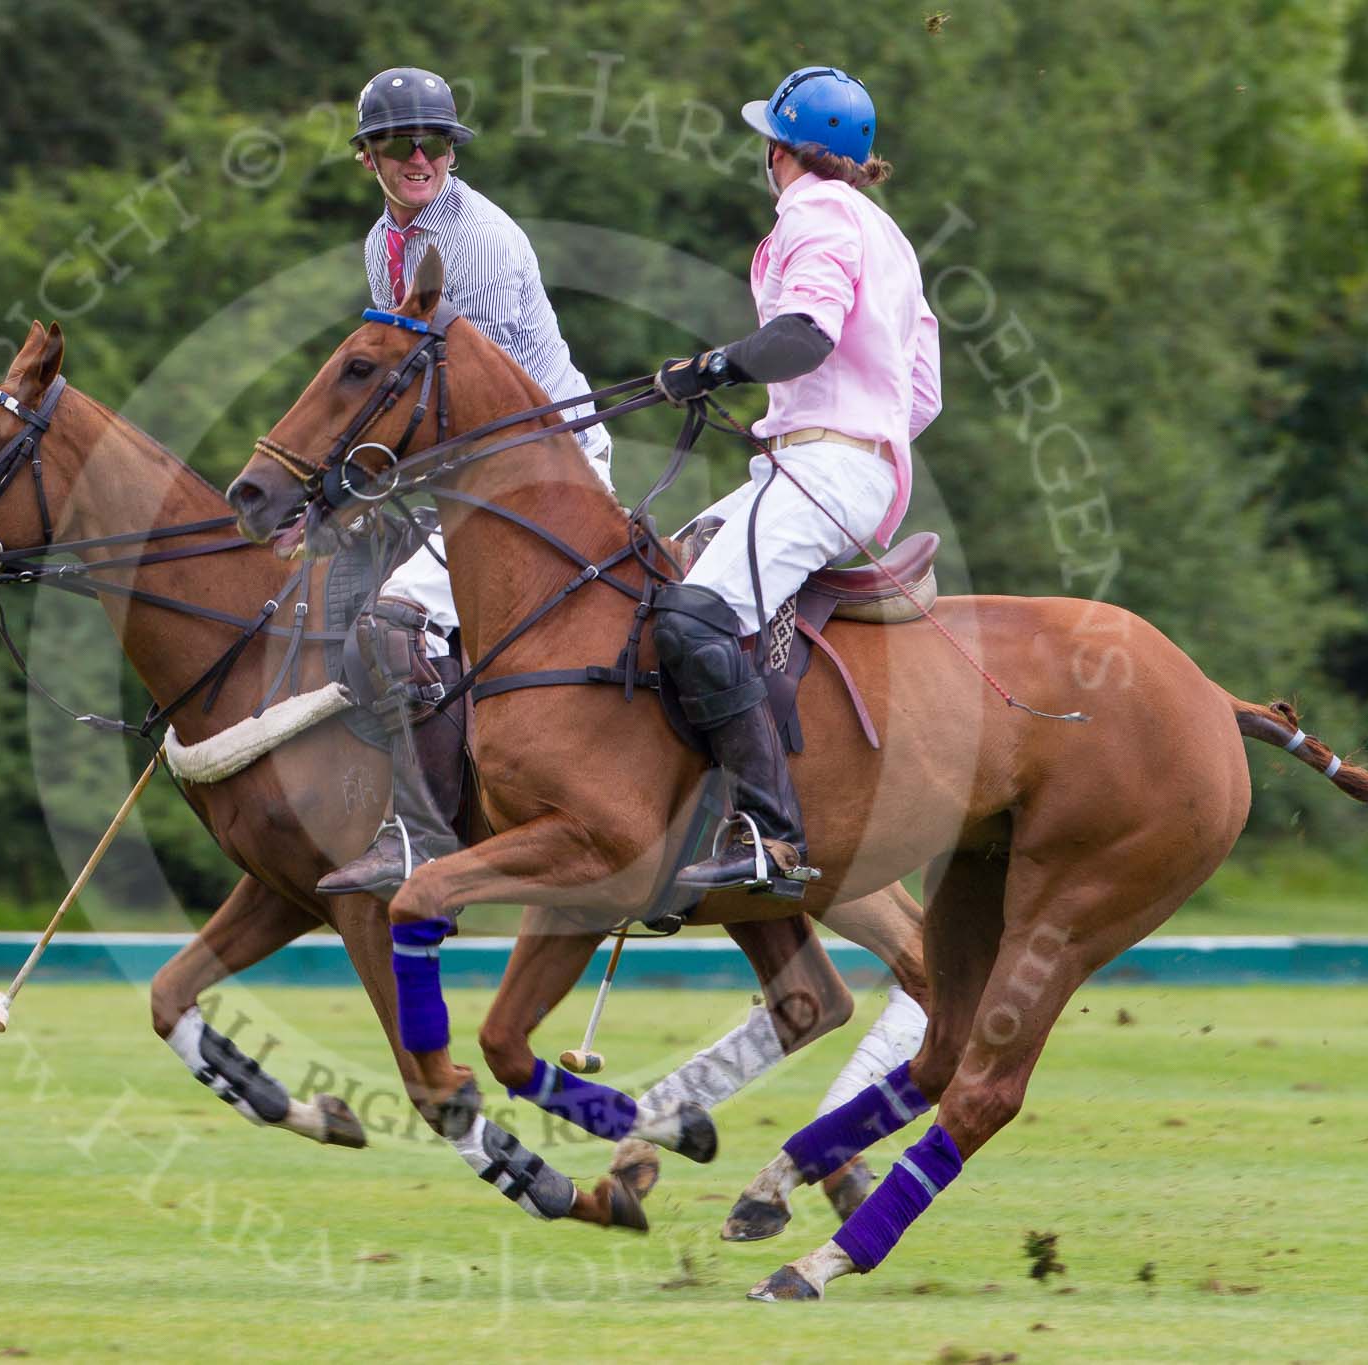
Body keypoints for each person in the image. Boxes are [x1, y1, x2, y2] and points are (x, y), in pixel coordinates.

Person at [318, 66, 614, 898]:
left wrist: (375, 486)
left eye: (436, 141)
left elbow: (470, 405)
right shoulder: (384, 243)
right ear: (366, 156)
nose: (419, 156)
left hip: (545, 470)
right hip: (472, 468)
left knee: (388, 626)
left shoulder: (473, 245)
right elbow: (397, 386)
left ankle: (418, 835)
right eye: (396, 142)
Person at [649, 65, 943, 894]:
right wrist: (858, 435)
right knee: (669, 568)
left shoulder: (811, 213)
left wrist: (711, 368)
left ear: (778, 150)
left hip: (827, 468)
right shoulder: (888, 234)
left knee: (692, 616)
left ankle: (768, 834)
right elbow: (923, 396)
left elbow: (806, 333)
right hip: (845, 467)